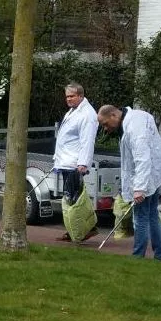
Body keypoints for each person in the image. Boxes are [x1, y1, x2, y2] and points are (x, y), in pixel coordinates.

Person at [96, 105, 161, 261]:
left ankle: (138, 256)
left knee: (140, 218)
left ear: (114, 115)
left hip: (146, 176)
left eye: (105, 124)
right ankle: (160, 256)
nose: (105, 129)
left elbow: (142, 158)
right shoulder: (136, 117)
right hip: (153, 173)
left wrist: (139, 188)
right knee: (153, 215)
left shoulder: (133, 128)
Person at [54, 82, 99, 242]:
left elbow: (88, 141)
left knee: (75, 200)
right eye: (67, 96)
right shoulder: (73, 111)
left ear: (81, 95)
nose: (69, 99)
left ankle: (85, 229)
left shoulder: (87, 114)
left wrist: (83, 163)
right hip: (66, 161)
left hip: (74, 164)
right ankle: (75, 229)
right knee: (71, 199)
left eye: (72, 96)